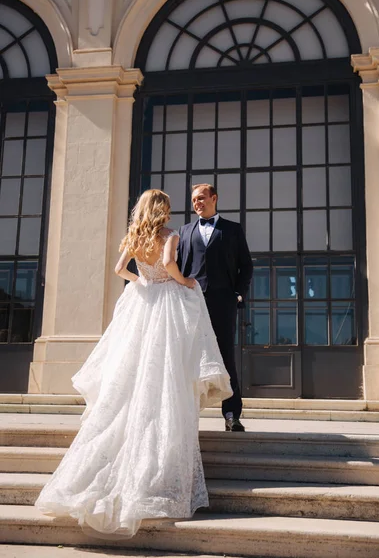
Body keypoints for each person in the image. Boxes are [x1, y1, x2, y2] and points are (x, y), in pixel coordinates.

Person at [35, 189, 232, 538]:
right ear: (162, 210)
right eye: (168, 207)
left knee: (132, 372)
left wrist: (142, 282)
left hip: (142, 303)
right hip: (167, 305)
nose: (172, 212)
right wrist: (185, 281)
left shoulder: (133, 235)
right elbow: (170, 265)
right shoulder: (169, 236)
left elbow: (118, 269)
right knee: (164, 374)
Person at [178, 184, 253, 432]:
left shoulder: (232, 229)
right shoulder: (185, 231)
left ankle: (232, 414)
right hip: (192, 303)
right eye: (193, 200)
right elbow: (178, 268)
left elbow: (246, 265)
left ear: (214, 198)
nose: (197, 203)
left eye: (201, 198)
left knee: (225, 357)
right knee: (188, 358)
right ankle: (186, 414)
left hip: (223, 302)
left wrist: (238, 294)